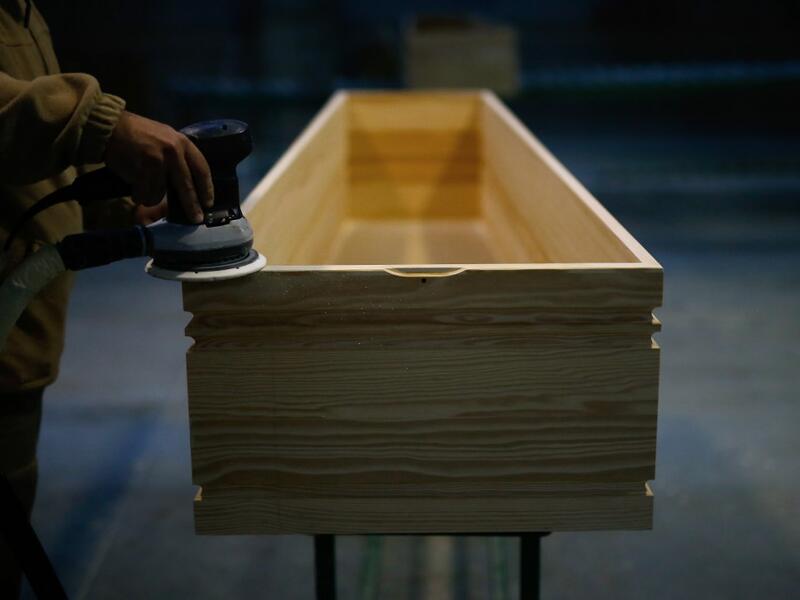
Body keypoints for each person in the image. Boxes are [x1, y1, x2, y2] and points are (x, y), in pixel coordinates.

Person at [0, 1, 213, 596]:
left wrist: (118, 208)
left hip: (17, 346)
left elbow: (28, 169)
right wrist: (101, 124)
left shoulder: (22, 12)